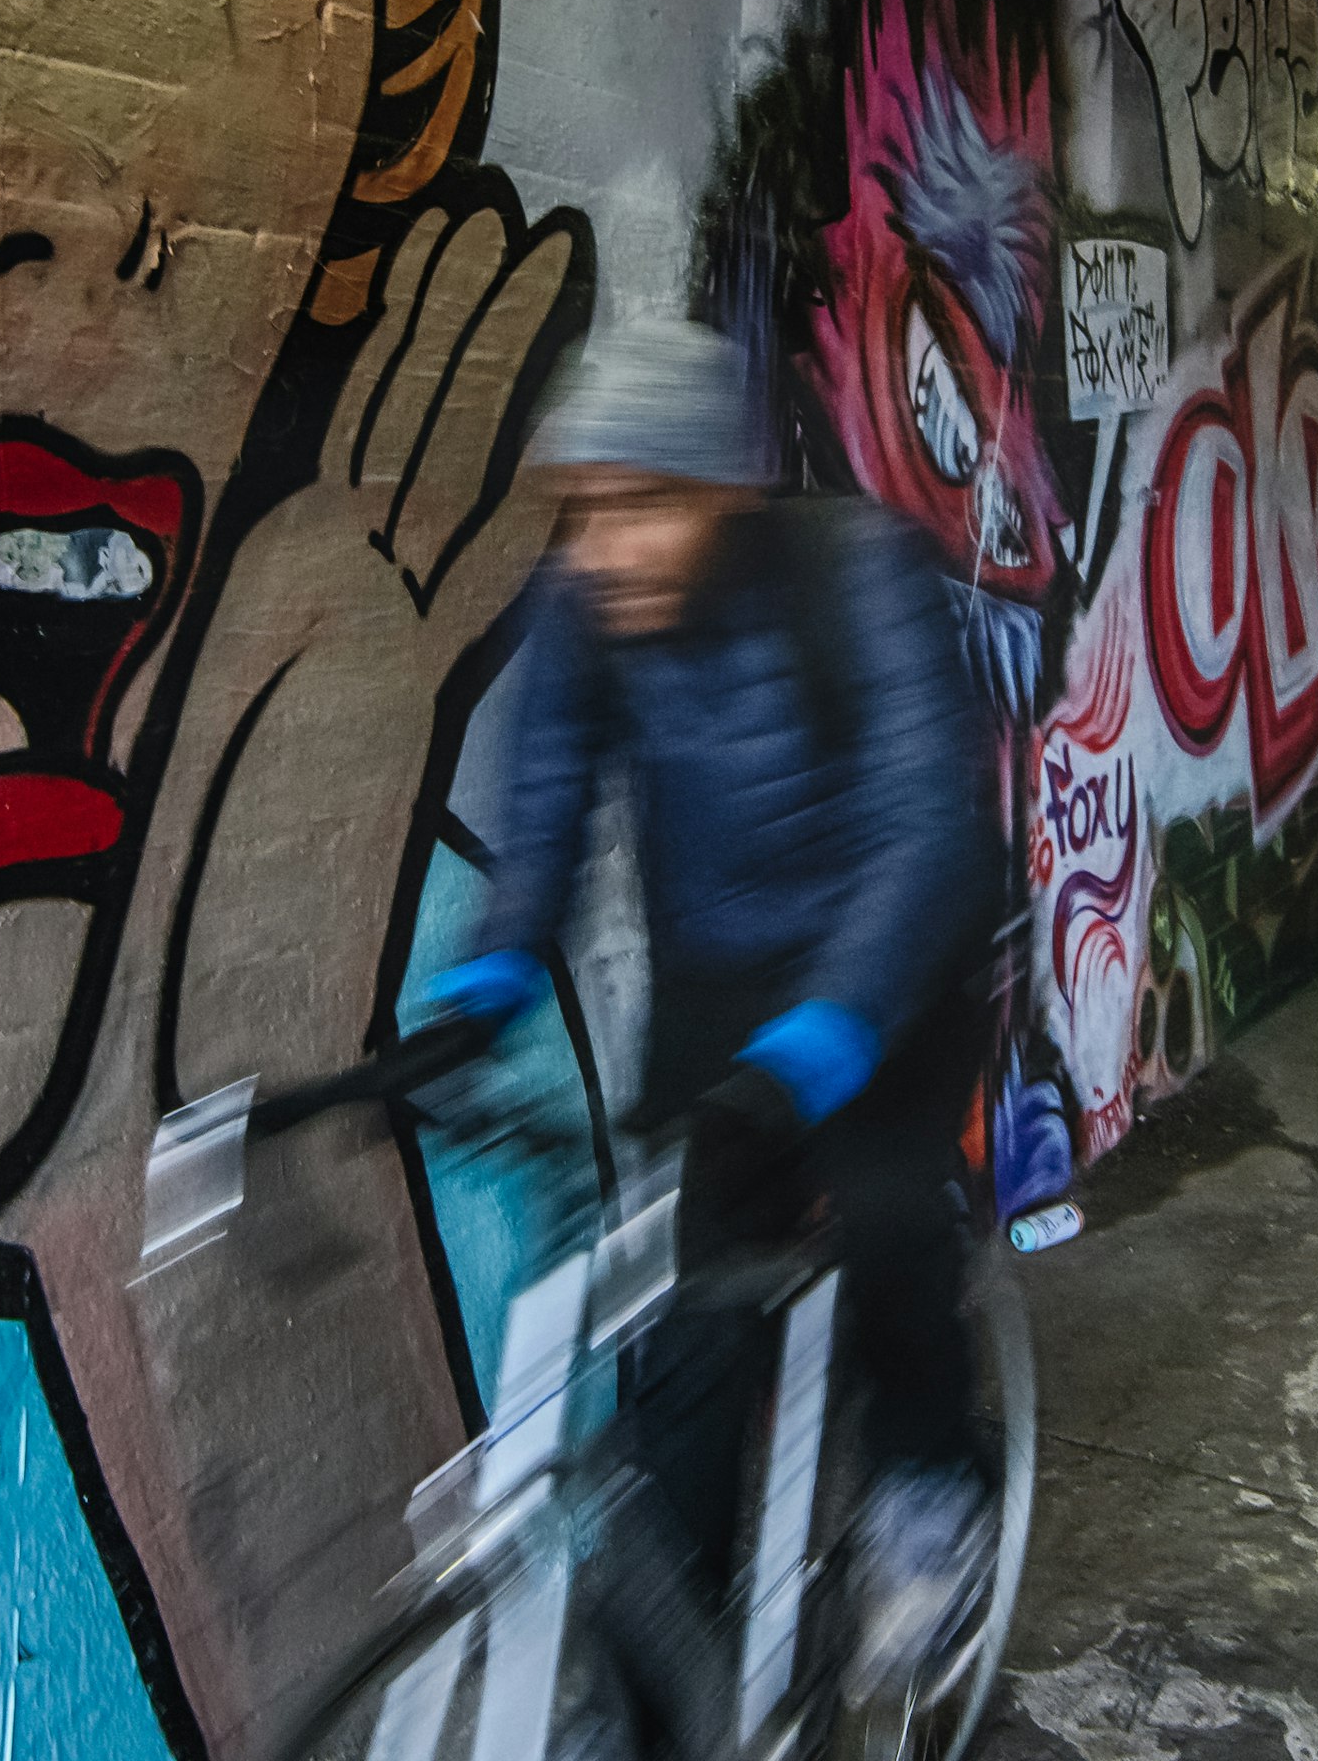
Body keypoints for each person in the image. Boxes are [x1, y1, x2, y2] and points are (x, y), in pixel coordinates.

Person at [422, 319, 1007, 1735]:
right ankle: (663, 1699)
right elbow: (546, 810)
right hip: (716, 987)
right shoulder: (586, 605)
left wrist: (824, 1045)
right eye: (586, 511)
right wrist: (477, 995)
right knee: (686, 1338)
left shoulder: (852, 568)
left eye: (643, 508)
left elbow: (929, 829)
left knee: (885, 1218)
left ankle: (935, 1497)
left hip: (897, 966)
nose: (605, 547)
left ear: (725, 497)